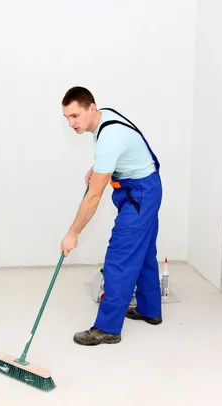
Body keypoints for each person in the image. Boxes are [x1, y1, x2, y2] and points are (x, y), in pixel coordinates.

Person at [60, 86, 163, 346]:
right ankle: (150, 310)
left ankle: (107, 328)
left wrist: (73, 234)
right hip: (146, 189)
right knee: (144, 252)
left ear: (91, 108)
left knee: (120, 258)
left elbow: (93, 198)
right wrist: (98, 168)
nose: (72, 123)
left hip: (139, 196)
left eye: (75, 116)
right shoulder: (106, 120)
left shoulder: (108, 138)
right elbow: (124, 149)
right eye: (67, 118)